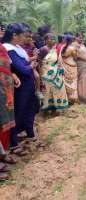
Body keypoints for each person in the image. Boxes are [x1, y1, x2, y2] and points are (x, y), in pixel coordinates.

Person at [2, 23, 40, 155]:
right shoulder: (8, 48)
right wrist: (31, 64)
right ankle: (14, 143)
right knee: (18, 113)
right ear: (14, 36)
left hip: (27, 84)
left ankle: (30, 134)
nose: (25, 38)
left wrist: (29, 63)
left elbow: (24, 64)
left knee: (30, 109)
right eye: (23, 35)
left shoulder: (17, 47)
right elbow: (22, 68)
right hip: (21, 87)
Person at [0, 26, 20, 180]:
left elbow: (6, 66)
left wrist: (12, 74)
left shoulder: (2, 47)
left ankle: (2, 154)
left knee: (5, 122)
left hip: (5, 90)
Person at [38, 33, 69, 114]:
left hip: (56, 73)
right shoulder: (43, 49)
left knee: (58, 90)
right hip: (46, 74)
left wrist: (60, 68)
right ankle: (47, 109)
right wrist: (41, 76)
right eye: (50, 39)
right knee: (48, 91)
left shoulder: (55, 49)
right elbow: (39, 63)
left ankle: (56, 108)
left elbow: (57, 61)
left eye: (53, 38)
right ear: (45, 40)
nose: (52, 40)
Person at [59, 34, 78, 104]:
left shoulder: (62, 47)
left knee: (65, 82)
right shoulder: (72, 48)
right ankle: (72, 99)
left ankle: (66, 98)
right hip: (72, 66)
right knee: (72, 82)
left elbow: (61, 56)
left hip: (64, 66)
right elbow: (75, 58)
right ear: (71, 40)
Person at [73, 33, 86, 103]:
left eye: (82, 38)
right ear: (76, 37)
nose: (81, 39)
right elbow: (76, 56)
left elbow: (85, 54)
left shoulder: (82, 45)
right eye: (80, 38)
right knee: (82, 80)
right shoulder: (74, 45)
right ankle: (81, 97)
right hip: (81, 64)